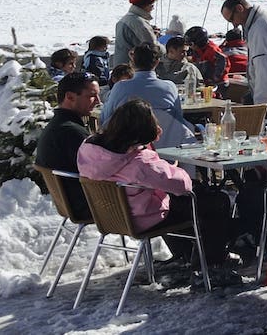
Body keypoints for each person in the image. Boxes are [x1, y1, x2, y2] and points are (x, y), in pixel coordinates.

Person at [77, 98, 236, 277]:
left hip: (113, 214)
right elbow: (182, 185)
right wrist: (172, 167)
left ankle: (187, 254)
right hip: (144, 217)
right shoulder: (139, 162)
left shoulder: (90, 149)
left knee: (185, 201)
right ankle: (211, 266)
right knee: (215, 201)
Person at [98, 43, 195, 148]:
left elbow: (105, 118)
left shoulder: (121, 87)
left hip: (129, 149)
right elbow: (178, 118)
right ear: (157, 62)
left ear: (132, 62)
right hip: (168, 149)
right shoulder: (169, 87)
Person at [34, 71, 100, 218]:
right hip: (91, 206)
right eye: (91, 96)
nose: (98, 102)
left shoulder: (58, 125)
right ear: (70, 97)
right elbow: (101, 170)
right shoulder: (70, 132)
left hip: (71, 204)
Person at [111, 0, 158, 69]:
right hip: (133, 69)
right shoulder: (139, 23)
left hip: (121, 67)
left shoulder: (126, 19)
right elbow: (152, 47)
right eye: (151, 5)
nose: (152, 9)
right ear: (145, 5)